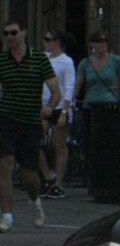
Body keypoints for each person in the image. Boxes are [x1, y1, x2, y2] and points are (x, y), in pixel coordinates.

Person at [0, 20, 62, 231]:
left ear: (24, 33)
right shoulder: (2, 60)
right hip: (6, 118)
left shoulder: (39, 59)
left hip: (30, 121)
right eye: (6, 33)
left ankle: (35, 201)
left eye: (13, 32)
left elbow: (56, 91)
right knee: (5, 164)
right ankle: (7, 215)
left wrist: (49, 108)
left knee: (28, 174)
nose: (9, 37)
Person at [37, 29, 76, 198]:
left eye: (48, 39)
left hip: (60, 106)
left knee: (59, 146)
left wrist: (65, 112)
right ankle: (48, 176)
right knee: (33, 141)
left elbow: (69, 86)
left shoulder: (66, 62)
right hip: (45, 106)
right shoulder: (43, 58)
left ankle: (58, 184)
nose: (45, 42)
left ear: (58, 42)